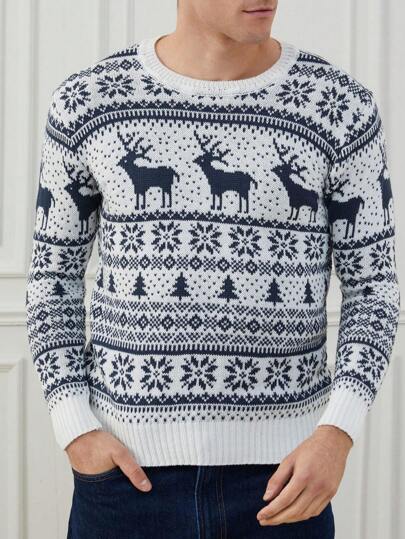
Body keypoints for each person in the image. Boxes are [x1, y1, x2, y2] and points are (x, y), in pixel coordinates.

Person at [25, 1, 400, 537]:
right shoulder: (90, 101)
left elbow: (373, 286)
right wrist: (75, 426)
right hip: (123, 482)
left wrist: (337, 432)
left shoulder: (339, 105)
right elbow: (52, 280)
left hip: (285, 478)